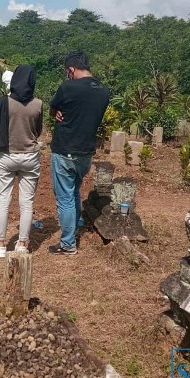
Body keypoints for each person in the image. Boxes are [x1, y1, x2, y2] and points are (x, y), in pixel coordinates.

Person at [48, 51, 110, 255]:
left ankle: (68, 244)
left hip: (65, 149)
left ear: (71, 69)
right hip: (86, 152)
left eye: (68, 72)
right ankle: (75, 226)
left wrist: (57, 112)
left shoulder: (68, 88)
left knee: (64, 197)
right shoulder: (103, 90)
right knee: (74, 191)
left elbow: (52, 109)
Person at [0, 64, 43, 258]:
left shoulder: (1, 102)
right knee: (26, 203)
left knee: (3, 201)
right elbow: (38, 131)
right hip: (30, 156)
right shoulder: (37, 104)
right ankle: (22, 243)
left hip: (7, 156)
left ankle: (1, 244)